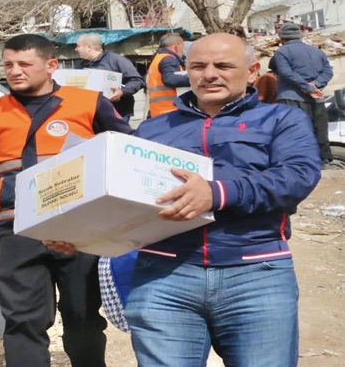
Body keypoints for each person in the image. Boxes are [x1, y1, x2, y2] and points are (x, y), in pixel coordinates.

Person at [0, 34, 133, 367]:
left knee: (82, 317)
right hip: (18, 228)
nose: (14, 71)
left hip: (79, 228)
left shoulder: (87, 102)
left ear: (51, 65)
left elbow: (126, 149)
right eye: (8, 64)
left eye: (25, 64)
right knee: (23, 320)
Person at [122, 34, 321, 366]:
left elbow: (297, 176)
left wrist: (216, 193)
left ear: (252, 70)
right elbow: (124, 195)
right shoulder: (153, 129)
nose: (209, 74)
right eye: (198, 66)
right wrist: (80, 230)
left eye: (223, 65)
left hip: (256, 271)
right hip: (163, 276)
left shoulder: (281, 120)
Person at [272, 22, 335, 167]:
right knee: (319, 130)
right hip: (317, 100)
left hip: (291, 98)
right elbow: (328, 72)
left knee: (293, 132)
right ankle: (323, 162)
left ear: (282, 38)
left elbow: (286, 72)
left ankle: (297, 165)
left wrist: (307, 87)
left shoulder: (282, 52)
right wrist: (316, 85)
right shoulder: (317, 52)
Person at [75, 33, 145, 122]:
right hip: (91, 114)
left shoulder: (117, 61)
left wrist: (122, 92)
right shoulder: (80, 66)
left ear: (89, 47)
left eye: (78, 46)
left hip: (117, 113)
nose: (76, 49)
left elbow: (137, 80)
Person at [146, 33, 189, 117]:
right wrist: (194, 78)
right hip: (171, 110)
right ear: (177, 47)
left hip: (159, 110)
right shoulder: (168, 58)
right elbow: (170, 79)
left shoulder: (157, 58)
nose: (182, 51)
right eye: (182, 48)